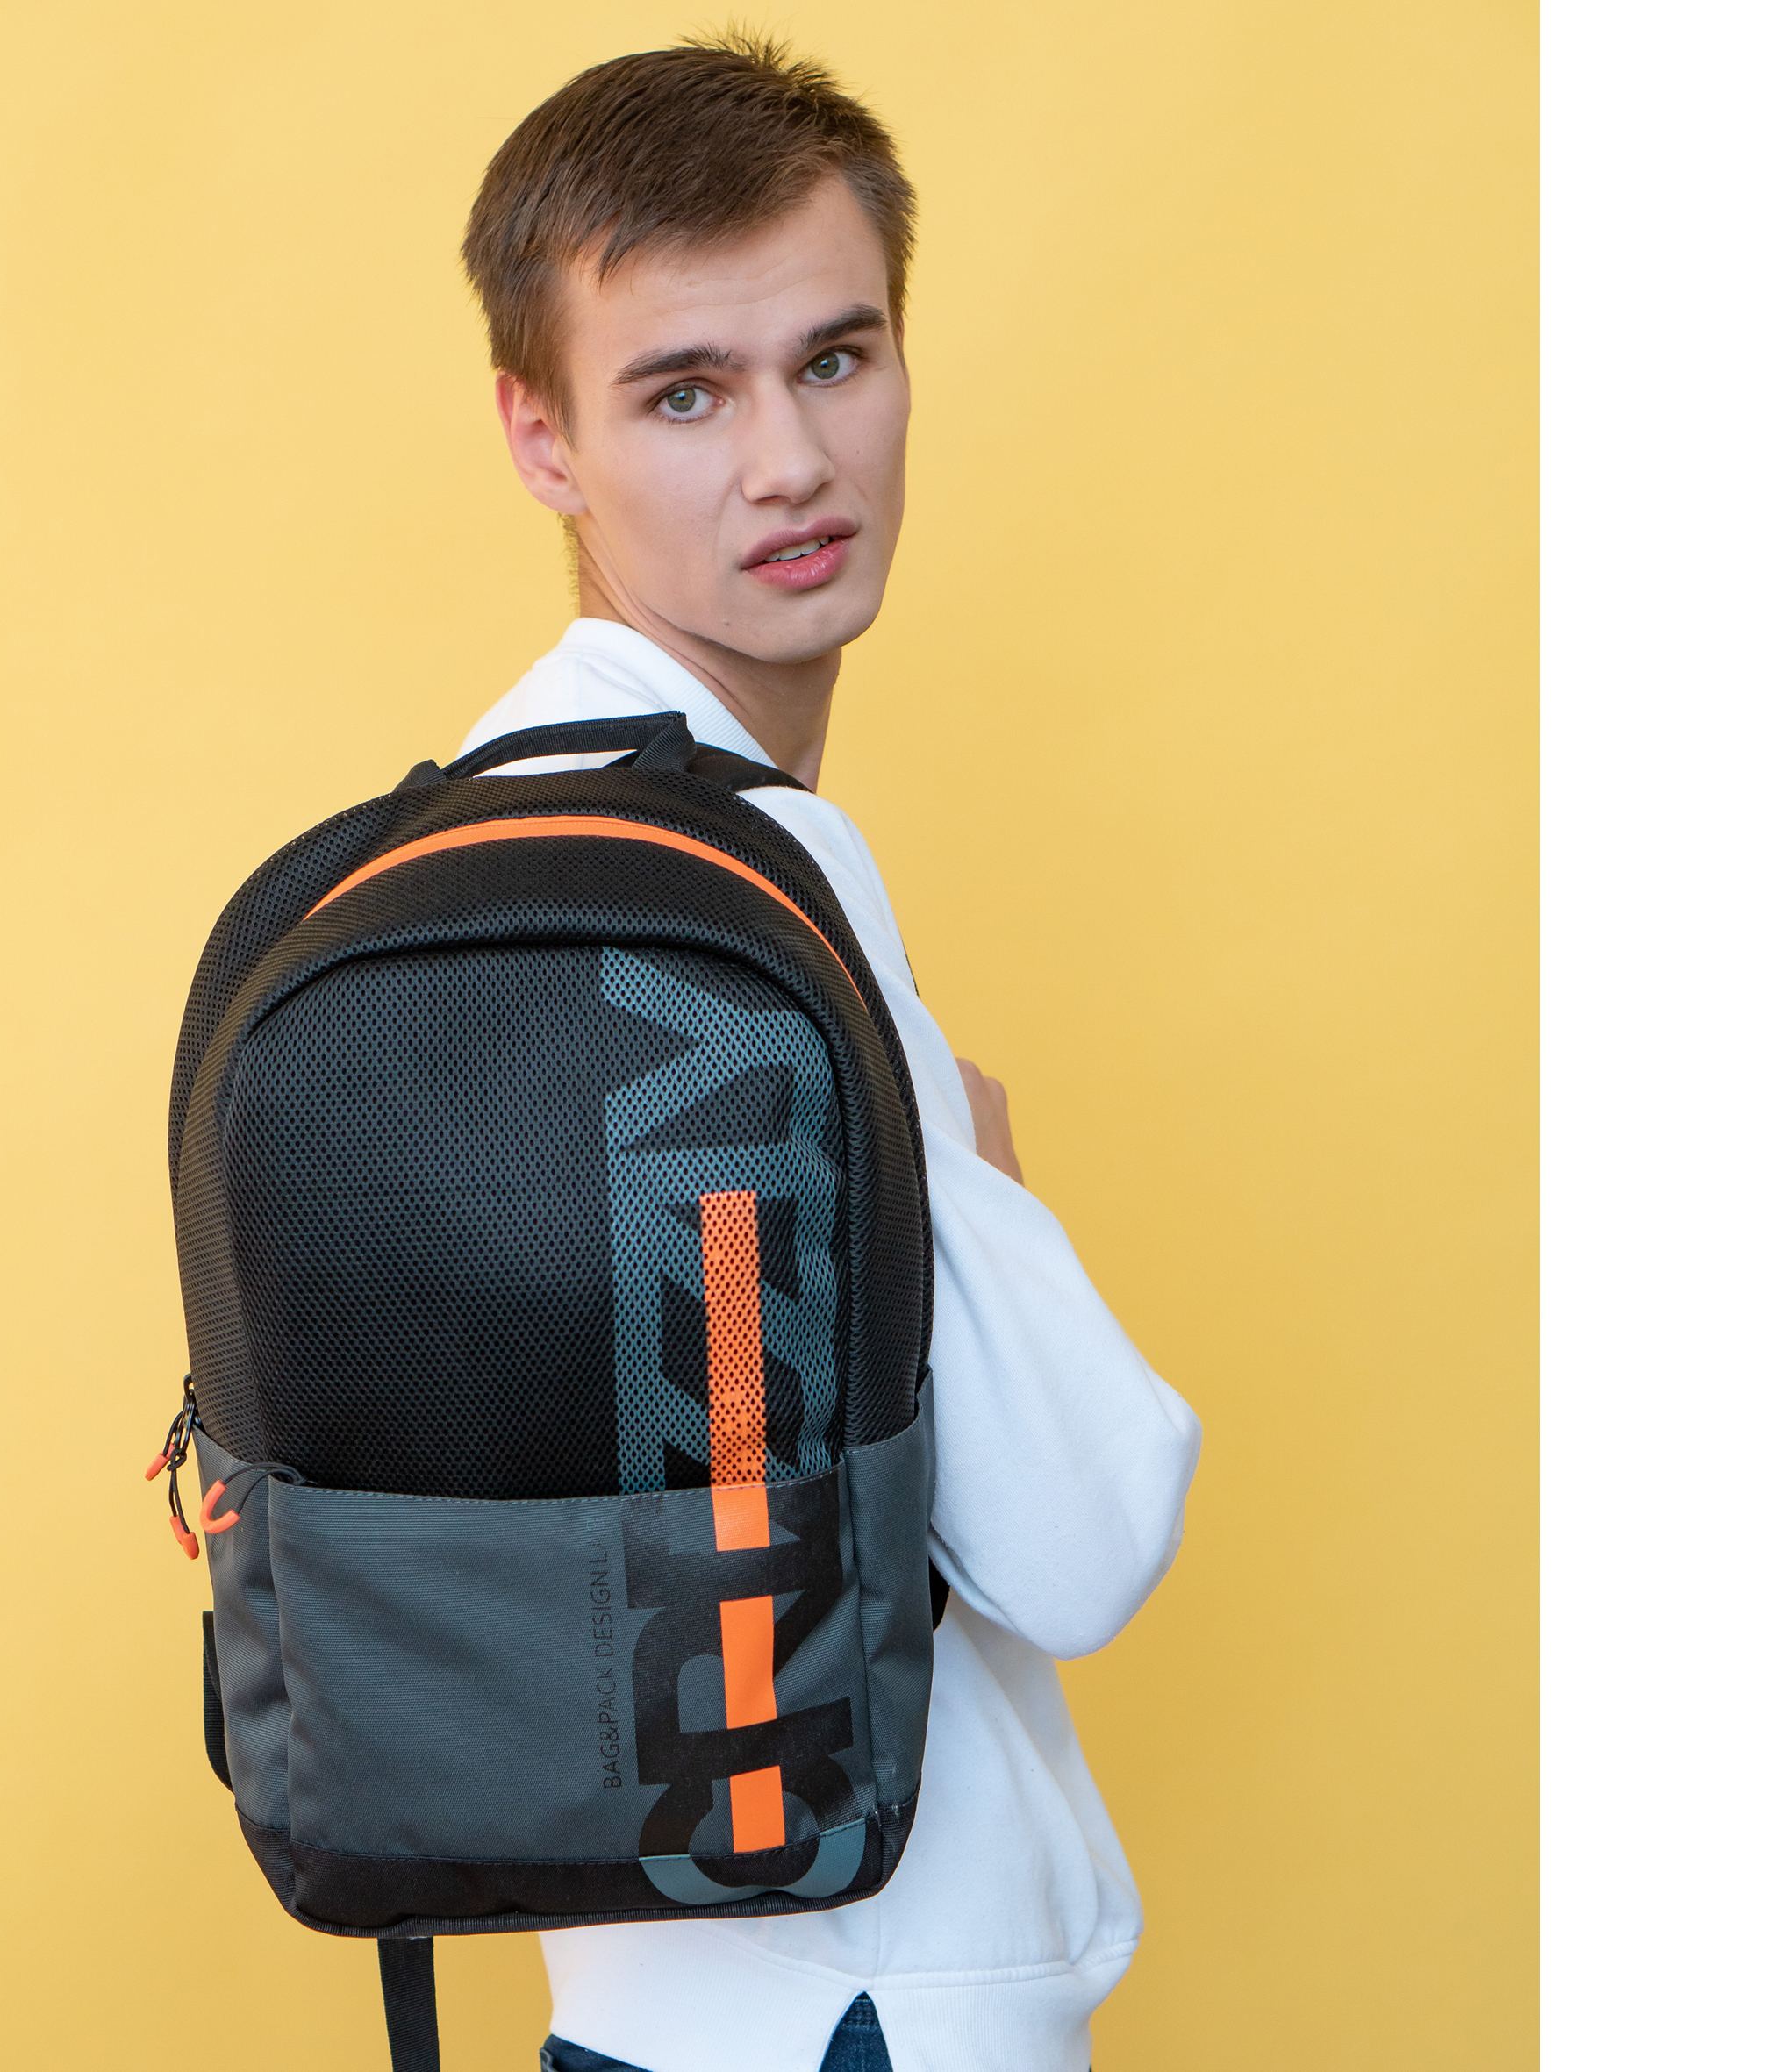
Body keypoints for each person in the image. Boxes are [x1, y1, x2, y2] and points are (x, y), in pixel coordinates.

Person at [456, 34, 1201, 2072]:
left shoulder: (487, 826)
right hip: (875, 1995)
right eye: (683, 392)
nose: (788, 460)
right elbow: (1082, 1535)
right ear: (538, 432)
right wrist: (986, 1179)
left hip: (636, 1990)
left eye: (835, 357)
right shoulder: (749, 871)